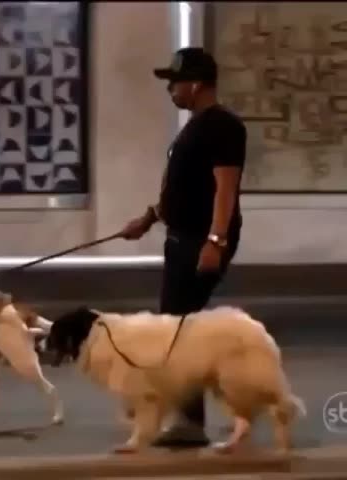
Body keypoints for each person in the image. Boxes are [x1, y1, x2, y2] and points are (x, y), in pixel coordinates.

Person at [119, 47, 247, 449]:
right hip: (182, 239)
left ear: (195, 84)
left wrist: (215, 240)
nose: (170, 90)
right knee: (178, 328)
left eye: (175, 82)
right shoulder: (195, 127)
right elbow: (186, 187)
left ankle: (194, 419)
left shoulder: (222, 126)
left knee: (179, 330)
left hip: (199, 241)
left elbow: (225, 188)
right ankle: (194, 413)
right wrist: (150, 218)